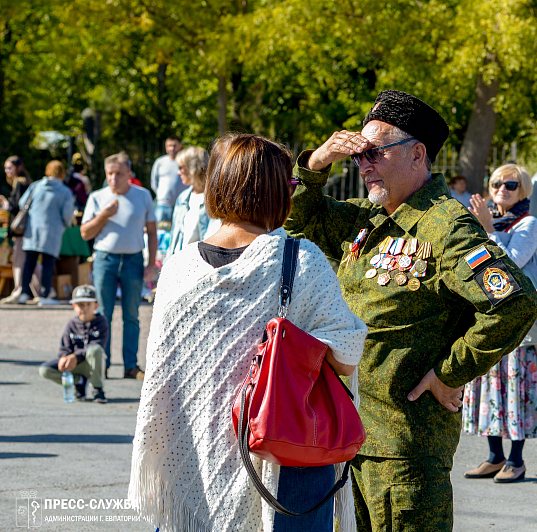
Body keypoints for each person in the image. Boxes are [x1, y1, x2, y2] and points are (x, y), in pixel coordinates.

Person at [285, 89, 537, 532]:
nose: (363, 165)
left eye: (374, 153)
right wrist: (314, 166)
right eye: (357, 156)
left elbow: (515, 304)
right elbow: (294, 223)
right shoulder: (367, 220)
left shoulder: (446, 225)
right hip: (350, 437)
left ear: (417, 154)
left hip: (405, 451)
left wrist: (448, 373)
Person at [129, 133, 367, 532]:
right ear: (277, 192)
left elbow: (163, 380)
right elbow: (345, 357)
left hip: (190, 461)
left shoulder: (178, 269)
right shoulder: (299, 259)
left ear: (217, 185)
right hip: (284, 463)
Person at [462, 164, 537, 484]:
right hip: (488, 317)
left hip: (521, 324)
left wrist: (489, 230)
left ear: (524, 189)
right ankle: (495, 456)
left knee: (517, 390)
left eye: (511, 184)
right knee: (488, 387)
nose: (502, 189)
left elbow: (511, 262)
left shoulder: (528, 223)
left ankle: (516, 460)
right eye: (496, 184)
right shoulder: (482, 220)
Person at [81, 152, 157, 380]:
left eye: (119, 174)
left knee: (131, 314)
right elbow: (85, 233)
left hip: (133, 259)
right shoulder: (97, 197)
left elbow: (152, 232)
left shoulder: (142, 196)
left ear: (129, 175)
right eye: (110, 174)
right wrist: (104, 215)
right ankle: (101, 362)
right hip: (105, 259)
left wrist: (151, 263)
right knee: (103, 313)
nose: (114, 178)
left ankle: (130, 365)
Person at [17, 160, 75, 306]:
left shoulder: (36, 186)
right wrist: (66, 225)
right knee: (48, 264)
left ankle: (24, 293)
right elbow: (68, 215)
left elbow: (22, 203)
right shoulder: (65, 191)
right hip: (52, 232)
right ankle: (44, 295)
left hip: (32, 230)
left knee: (29, 263)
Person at [38, 285, 109, 403]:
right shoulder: (72, 324)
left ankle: (97, 388)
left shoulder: (101, 322)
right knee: (45, 370)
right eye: (81, 304)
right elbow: (64, 346)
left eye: (88, 304)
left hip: (91, 365)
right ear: (74, 306)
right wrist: (63, 357)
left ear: (96, 306)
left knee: (95, 350)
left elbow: (97, 344)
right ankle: (78, 381)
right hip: (74, 364)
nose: (84, 308)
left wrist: (75, 356)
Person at [165, 146, 220, 260]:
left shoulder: (215, 198)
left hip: (201, 264)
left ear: (193, 168)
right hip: (180, 262)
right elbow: (175, 235)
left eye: (181, 167)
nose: (178, 172)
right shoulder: (183, 197)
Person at [0, 156, 42, 303]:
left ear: (18, 167)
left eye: (10, 167)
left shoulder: (20, 182)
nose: (7, 171)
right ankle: (41, 290)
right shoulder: (27, 182)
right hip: (27, 228)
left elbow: (17, 205)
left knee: (19, 260)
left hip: (21, 229)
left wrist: (6, 203)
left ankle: (18, 290)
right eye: (6, 168)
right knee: (30, 260)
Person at [150, 136, 187, 223]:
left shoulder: (185, 162)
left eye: (174, 145)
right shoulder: (160, 162)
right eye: (169, 146)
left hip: (182, 204)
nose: (171, 148)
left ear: (180, 146)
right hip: (163, 205)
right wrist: (162, 195)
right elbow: (154, 182)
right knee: (161, 232)